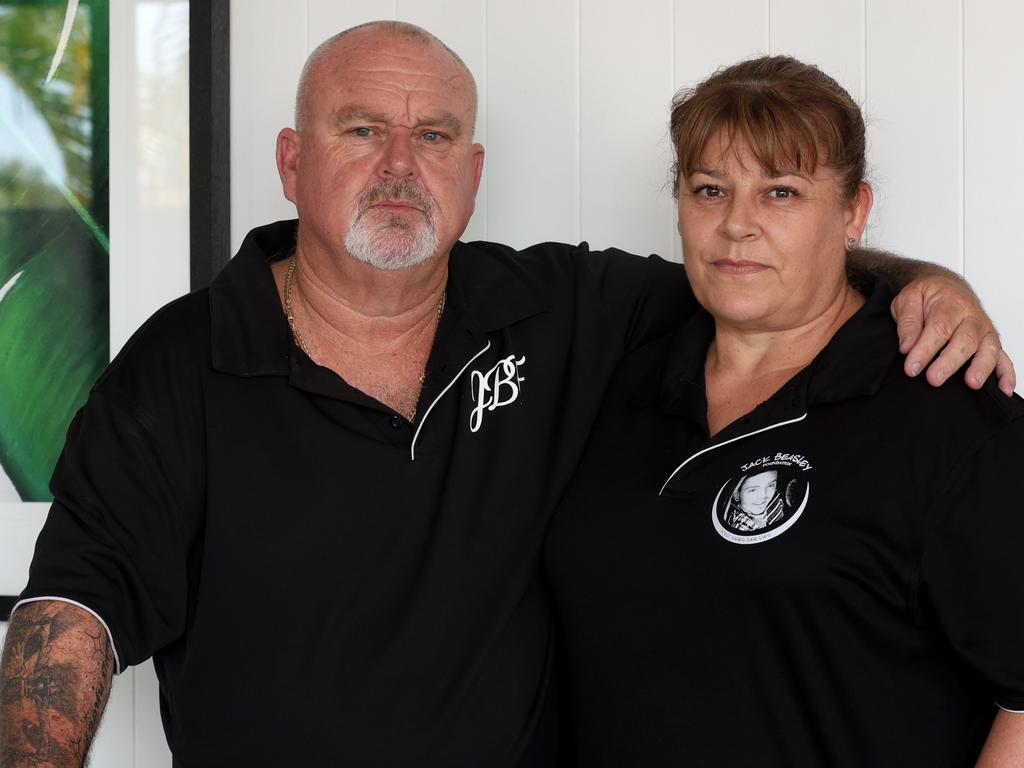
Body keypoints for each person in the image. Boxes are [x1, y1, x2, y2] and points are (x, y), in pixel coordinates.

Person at [0, 23, 1012, 768]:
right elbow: (75, 602)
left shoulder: (561, 310)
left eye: (433, 136)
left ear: (472, 172)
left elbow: (766, 275)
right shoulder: (184, 364)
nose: (399, 166)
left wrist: (922, 282)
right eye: (361, 130)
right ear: (293, 163)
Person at [545, 55, 1024, 766]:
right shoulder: (618, 377)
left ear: (854, 211)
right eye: (710, 189)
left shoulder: (945, 411)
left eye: (781, 193)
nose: (737, 225)